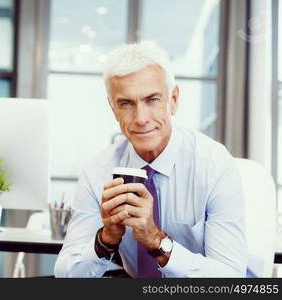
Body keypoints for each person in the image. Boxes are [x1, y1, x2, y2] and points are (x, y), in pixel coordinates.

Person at [54, 41, 248, 278]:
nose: (141, 118)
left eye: (152, 100)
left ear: (173, 100)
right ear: (113, 108)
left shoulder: (214, 165)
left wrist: (156, 241)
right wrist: (106, 239)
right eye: (126, 103)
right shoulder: (98, 172)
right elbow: (65, 274)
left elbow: (232, 279)